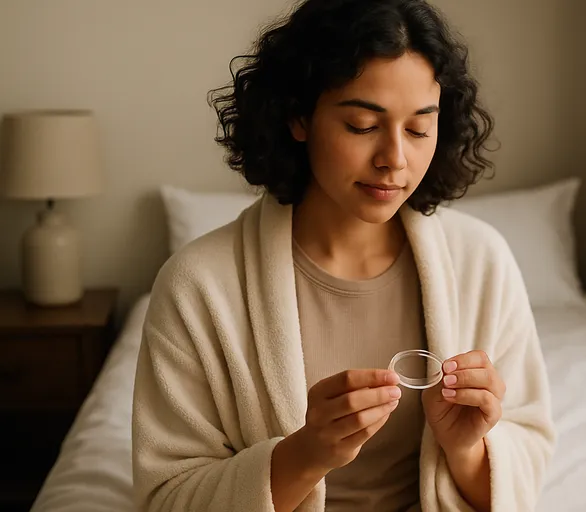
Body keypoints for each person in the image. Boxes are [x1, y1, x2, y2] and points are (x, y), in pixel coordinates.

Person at [131, 0, 555, 510]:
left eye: (419, 129)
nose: (395, 159)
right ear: (298, 116)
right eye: (361, 125)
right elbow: (167, 496)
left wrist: (465, 448)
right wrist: (306, 455)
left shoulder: (481, 262)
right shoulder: (198, 285)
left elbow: (528, 458)